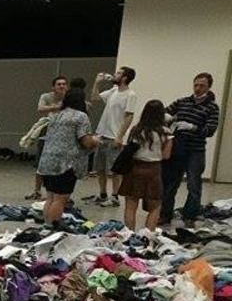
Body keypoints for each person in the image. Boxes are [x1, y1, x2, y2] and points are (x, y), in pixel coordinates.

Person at [162, 72, 221, 227]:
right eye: (196, 85)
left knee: (194, 185)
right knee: (171, 183)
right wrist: (168, 117)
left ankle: (190, 215)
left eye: (202, 85)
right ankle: (165, 214)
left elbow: (210, 130)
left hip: (196, 150)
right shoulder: (183, 102)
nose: (198, 88)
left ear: (208, 87)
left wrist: (193, 127)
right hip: (178, 148)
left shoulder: (212, 107)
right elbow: (165, 111)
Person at [36, 88, 99, 227]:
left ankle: (46, 225)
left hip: (47, 161)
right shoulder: (80, 117)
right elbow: (86, 142)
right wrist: (96, 140)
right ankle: (54, 226)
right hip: (66, 164)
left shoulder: (56, 115)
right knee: (60, 199)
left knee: (50, 197)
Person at [118, 100, 173, 231]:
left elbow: (127, 149)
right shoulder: (166, 133)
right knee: (155, 206)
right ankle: (147, 236)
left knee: (131, 205)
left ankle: (129, 234)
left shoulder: (136, 130)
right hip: (154, 170)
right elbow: (166, 155)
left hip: (135, 168)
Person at [90, 66, 138, 207]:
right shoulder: (113, 91)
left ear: (125, 77)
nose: (115, 75)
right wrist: (97, 82)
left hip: (114, 136)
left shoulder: (130, 95)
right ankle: (102, 194)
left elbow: (129, 116)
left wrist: (119, 136)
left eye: (118, 73)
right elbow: (95, 98)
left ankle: (115, 196)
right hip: (102, 134)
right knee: (100, 168)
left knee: (114, 169)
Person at [28, 76, 69, 200]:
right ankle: (37, 191)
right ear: (53, 87)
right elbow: (40, 108)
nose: (61, 86)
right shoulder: (46, 96)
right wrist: (58, 107)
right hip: (47, 131)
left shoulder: (70, 98)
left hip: (63, 133)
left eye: (64, 84)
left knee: (59, 165)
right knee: (41, 163)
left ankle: (55, 192)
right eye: (59, 84)